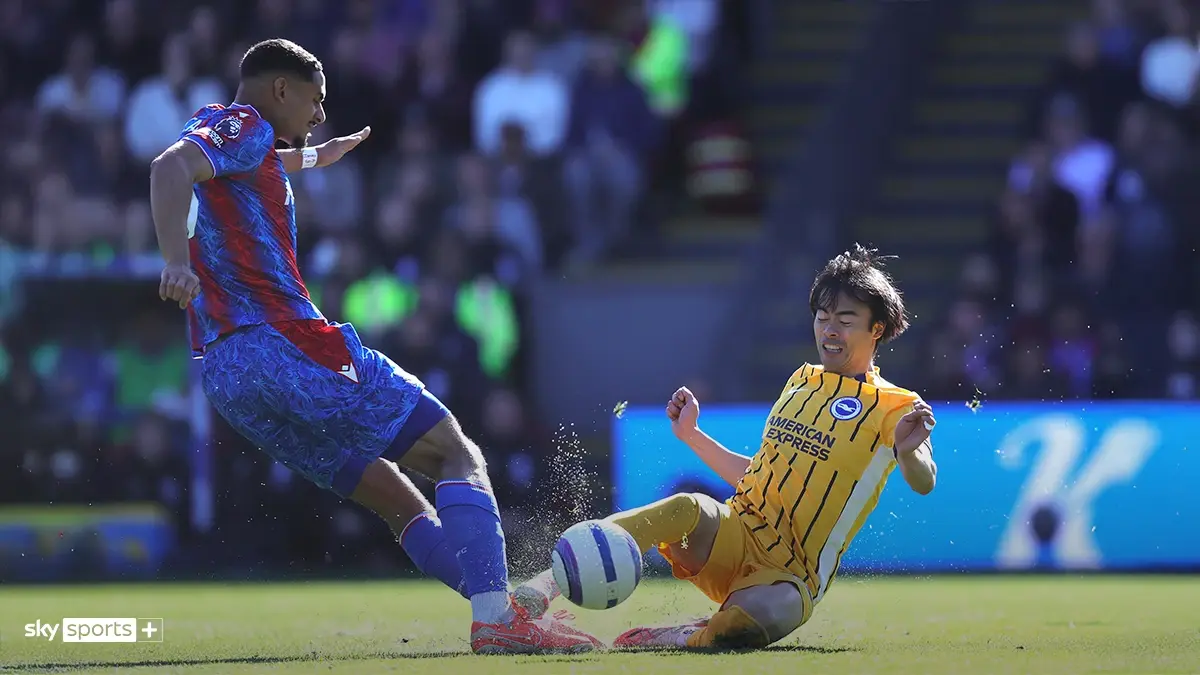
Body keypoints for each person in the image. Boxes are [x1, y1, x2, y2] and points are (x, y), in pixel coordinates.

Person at [149, 39, 600, 655]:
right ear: (281, 90)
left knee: (395, 497)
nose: (319, 114)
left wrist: (315, 157)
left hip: (227, 376)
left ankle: (502, 606)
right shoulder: (246, 124)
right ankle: (497, 619)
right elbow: (168, 169)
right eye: (315, 100)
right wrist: (175, 262)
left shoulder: (233, 137)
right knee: (454, 452)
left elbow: (244, 167)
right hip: (283, 343)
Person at [512, 244, 940, 649]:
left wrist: (907, 453)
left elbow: (924, 481)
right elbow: (760, 474)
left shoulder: (896, 405)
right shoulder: (801, 380)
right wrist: (691, 435)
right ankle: (539, 590)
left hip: (791, 575)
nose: (829, 329)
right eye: (822, 316)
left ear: (876, 329)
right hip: (734, 532)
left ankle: (685, 635)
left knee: (740, 627)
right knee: (684, 507)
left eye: (845, 320)